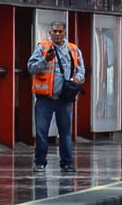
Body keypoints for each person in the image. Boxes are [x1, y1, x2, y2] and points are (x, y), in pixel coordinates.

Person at [27, 20, 85, 173]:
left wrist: (78, 78)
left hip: (64, 99)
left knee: (65, 133)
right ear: (49, 33)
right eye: (54, 31)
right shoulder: (42, 48)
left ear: (65, 32)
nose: (57, 34)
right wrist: (44, 60)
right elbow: (31, 68)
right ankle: (40, 162)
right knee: (41, 132)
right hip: (44, 100)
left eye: (60, 31)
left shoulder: (73, 49)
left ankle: (66, 163)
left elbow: (81, 71)